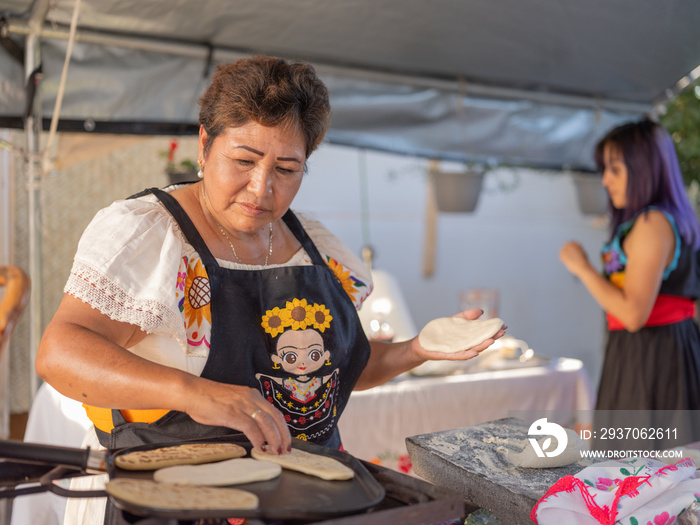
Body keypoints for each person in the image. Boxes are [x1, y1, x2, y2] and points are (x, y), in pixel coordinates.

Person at [36, 55, 506, 524]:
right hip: (181, 504)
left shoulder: (316, 246)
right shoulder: (151, 235)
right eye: (243, 160)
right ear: (205, 145)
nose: (261, 188)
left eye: (286, 168)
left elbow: (332, 371)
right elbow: (60, 353)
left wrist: (418, 349)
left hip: (310, 502)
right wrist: (195, 393)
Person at [559, 119, 700, 448]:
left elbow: (634, 314)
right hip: (656, 353)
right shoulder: (664, 219)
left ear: (644, 169)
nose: (605, 179)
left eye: (615, 169)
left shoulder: (653, 224)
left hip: (652, 359)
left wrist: (583, 268)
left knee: (641, 473)